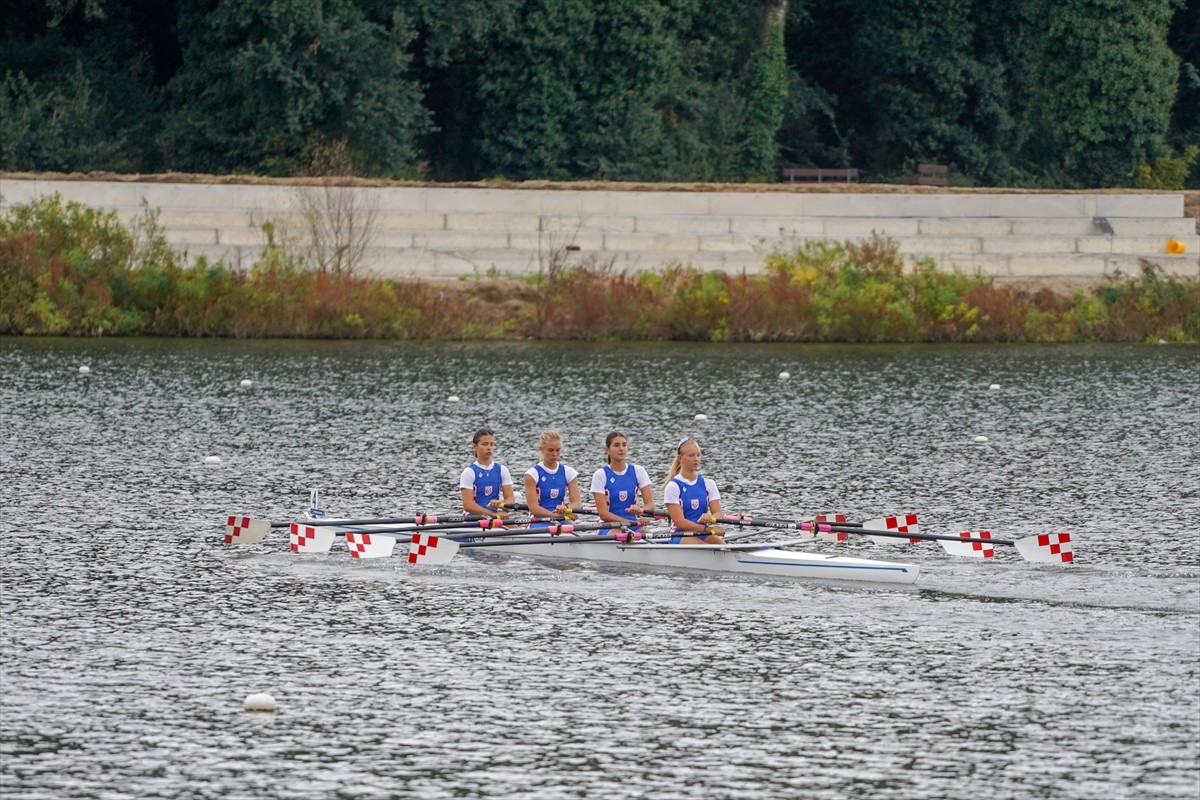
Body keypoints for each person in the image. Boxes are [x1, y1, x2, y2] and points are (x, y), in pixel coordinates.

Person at [662, 437, 726, 544]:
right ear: (680, 458)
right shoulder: (673, 486)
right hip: (680, 534)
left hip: (702, 532)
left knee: (724, 547)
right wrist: (707, 529)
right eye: (691, 455)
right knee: (707, 549)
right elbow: (680, 523)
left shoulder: (708, 484)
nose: (696, 459)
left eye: (698, 455)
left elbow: (718, 513)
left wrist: (711, 517)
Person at [590, 431, 653, 530]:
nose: (621, 448)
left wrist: (640, 510)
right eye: (616, 445)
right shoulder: (600, 475)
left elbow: (650, 505)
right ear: (607, 450)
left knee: (644, 532)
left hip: (633, 524)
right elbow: (603, 514)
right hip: (609, 525)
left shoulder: (638, 471)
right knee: (622, 533)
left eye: (624, 445)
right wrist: (630, 522)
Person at [523, 430, 581, 524]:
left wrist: (567, 508)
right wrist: (556, 516)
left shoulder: (569, 472)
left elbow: (577, 503)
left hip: (561, 519)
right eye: (551, 450)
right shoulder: (532, 474)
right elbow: (534, 508)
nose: (555, 454)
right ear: (541, 449)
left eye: (557, 450)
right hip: (539, 520)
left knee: (578, 534)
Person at [460, 428, 515, 519]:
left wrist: (502, 503)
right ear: (475, 446)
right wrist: (491, 514)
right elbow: (468, 505)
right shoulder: (469, 472)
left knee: (514, 529)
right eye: (485, 444)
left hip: (495, 517)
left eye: (492, 444)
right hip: (473, 518)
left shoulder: (502, 470)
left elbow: (510, 499)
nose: (489, 448)